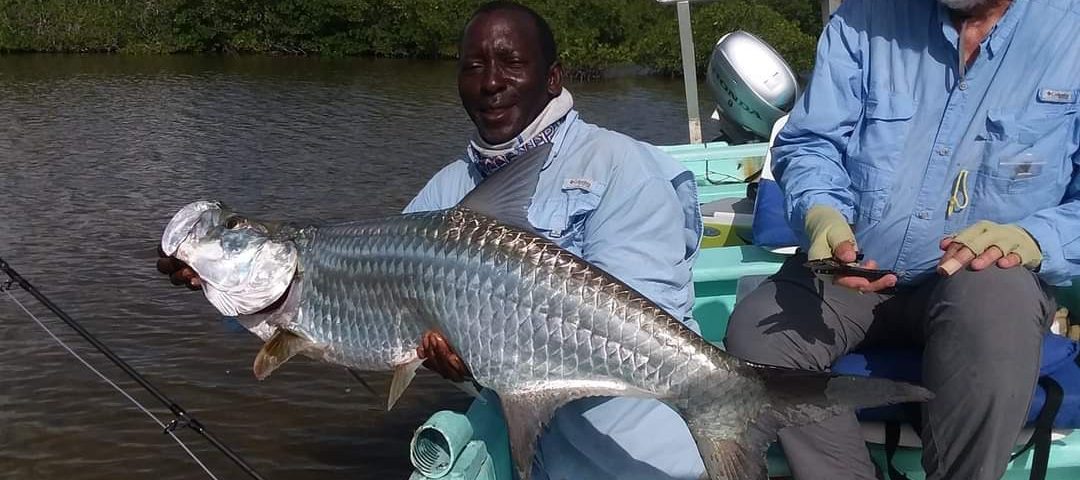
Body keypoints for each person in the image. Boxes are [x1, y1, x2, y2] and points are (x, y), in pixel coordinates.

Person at [160, 2, 707, 478]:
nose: (490, 81)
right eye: (473, 67)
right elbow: (333, 312)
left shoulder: (623, 167)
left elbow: (644, 321)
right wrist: (213, 282)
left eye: (511, 63)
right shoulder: (447, 192)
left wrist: (491, 354)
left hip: (636, 461)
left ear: (554, 76)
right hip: (528, 456)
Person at [725, 0, 1080, 479]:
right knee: (758, 336)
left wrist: (1032, 238)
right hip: (855, 270)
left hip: (984, 283)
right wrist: (822, 214)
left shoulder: (1070, 32)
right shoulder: (862, 19)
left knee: (994, 299)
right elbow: (813, 143)